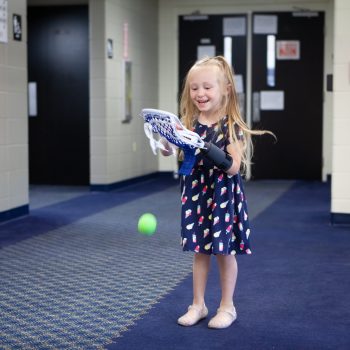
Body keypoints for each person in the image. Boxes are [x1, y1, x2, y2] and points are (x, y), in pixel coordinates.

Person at [161, 56, 271, 329]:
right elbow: (175, 150)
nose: (200, 93)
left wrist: (206, 147)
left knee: (224, 252)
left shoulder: (231, 125)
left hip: (222, 197)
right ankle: (198, 304)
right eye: (194, 87)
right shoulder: (188, 121)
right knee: (200, 251)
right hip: (197, 194)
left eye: (207, 87)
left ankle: (227, 306)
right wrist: (165, 143)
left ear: (226, 89)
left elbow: (233, 167)